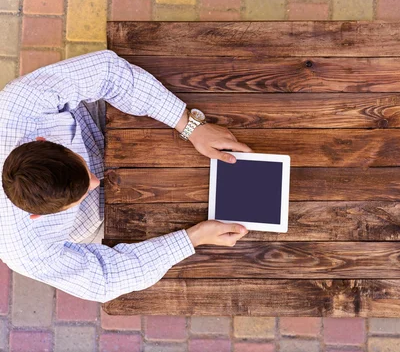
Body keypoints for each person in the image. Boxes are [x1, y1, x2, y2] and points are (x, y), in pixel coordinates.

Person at [0, 50, 252, 302]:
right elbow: (106, 279)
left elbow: (108, 72)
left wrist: (190, 125)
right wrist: (194, 238)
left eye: (86, 172)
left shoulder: (19, 106)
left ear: (43, 140)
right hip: (99, 218)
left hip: (97, 122)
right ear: (37, 216)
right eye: (83, 192)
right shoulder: (23, 248)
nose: (97, 182)